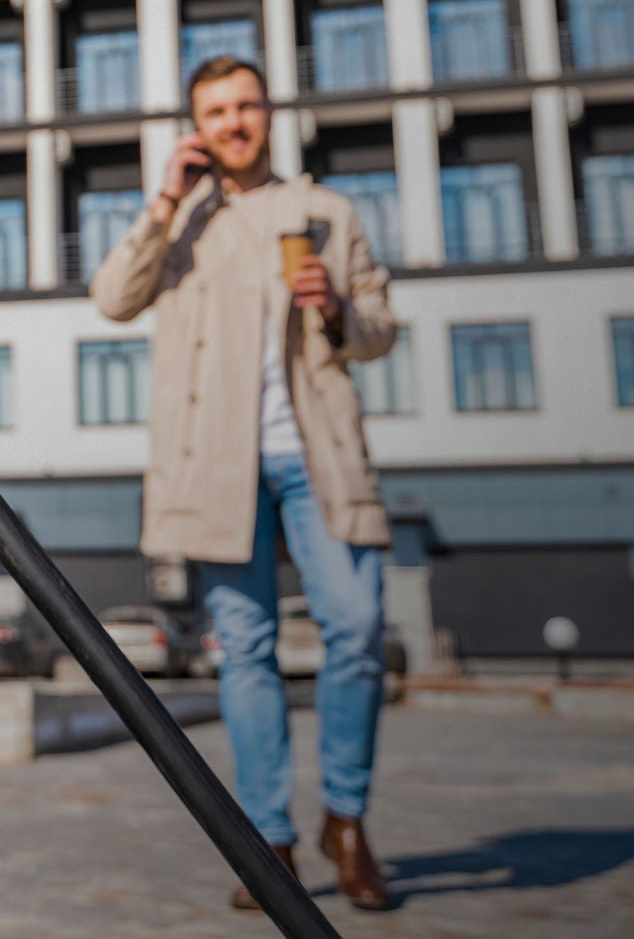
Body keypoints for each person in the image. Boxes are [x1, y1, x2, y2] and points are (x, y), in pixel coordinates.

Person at [91, 54, 400, 912]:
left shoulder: (325, 211)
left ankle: (347, 817)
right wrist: (163, 202)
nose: (234, 121)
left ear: (268, 111)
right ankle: (270, 841)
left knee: (359, 627)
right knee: (247, 651)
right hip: (216, 463)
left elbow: (381, 326)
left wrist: (338, 308)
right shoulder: (183, 217)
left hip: (318, 453)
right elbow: (112, 298)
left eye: (246, 105)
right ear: (198, 125)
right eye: (216, 111)